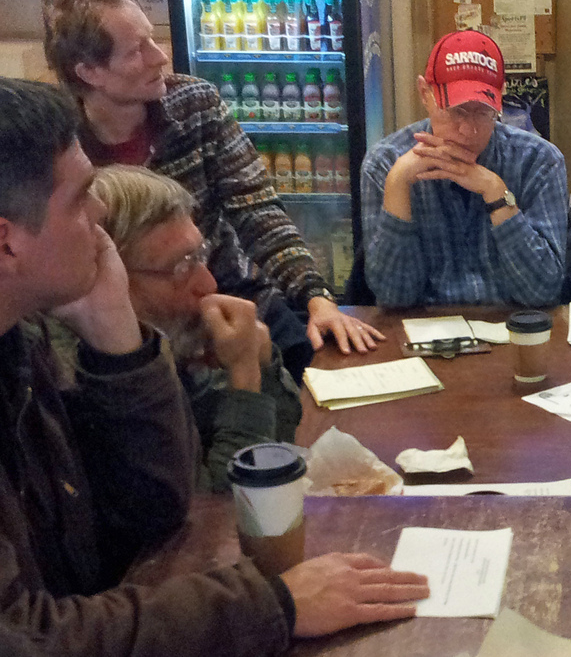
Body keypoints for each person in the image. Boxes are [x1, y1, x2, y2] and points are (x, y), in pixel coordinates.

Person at [0, 76, 428, 656]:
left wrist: (119, 342)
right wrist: (274, 604)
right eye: (79, 199)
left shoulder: (25, 345)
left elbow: (153, 517)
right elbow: (26, 638)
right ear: (6, 243)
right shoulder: (44, 353)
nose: (98, 209)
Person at [42, 0, 384, 382]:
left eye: (153, 40)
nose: (161, 57)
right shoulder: (57, 143)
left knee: (321, 380)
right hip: (130, 324)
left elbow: (256, 207)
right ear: (90, 72)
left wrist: (316, 297)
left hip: (231, 291)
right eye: (137, 50)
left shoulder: (195, 103)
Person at [91, 164, 301, 492]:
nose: (208, 283)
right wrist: (245, 379)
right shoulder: (94, 381)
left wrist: (263, 367)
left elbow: (280, 458)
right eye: (180, 267)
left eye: (199, 256)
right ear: (109, 278)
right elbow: (217, 513)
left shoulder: (179, 338)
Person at [360, 30, 568, 307]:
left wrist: (497, 192)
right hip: (423, 335)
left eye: (483, 112)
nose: (468, 130)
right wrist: (398, 183)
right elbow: (394, 297)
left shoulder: (539, 160)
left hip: (513, 331)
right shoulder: (385, 163)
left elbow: (543, 290)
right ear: (425, 94)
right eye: (456, 110)